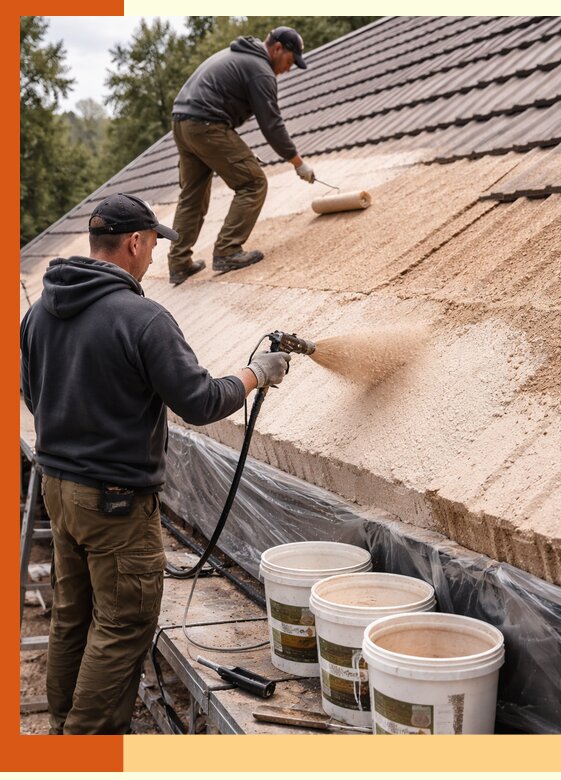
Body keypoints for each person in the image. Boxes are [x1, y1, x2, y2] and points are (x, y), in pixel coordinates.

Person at [19, 192, 291, 734]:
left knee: (74, 615)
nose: (151, 261)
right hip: (115, 504)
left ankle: (60, 729)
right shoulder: (142, 318)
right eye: (150, 247)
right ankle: (85, 749)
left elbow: (33, 396)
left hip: (57, 488)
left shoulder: (41, 312)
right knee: (123, 624)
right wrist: (257, 373)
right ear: (135, 242)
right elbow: (201, 401)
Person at [167, 25, 315, 285]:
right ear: (278, 48)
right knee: (253, 182)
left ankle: (179, 264)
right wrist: (298, 163)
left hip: (182, 122)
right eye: (290, 61)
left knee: (192, 195)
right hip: (205, 124)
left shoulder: (239, 56)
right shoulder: (260, 70)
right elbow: (272, 124)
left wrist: (237, 149)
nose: (289, 68)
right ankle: (227, 251)